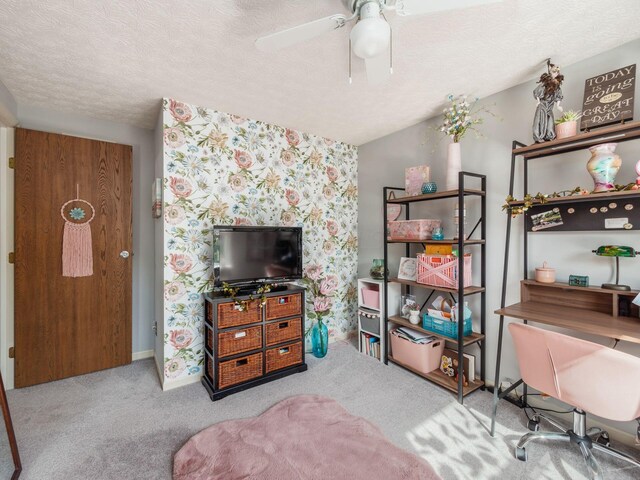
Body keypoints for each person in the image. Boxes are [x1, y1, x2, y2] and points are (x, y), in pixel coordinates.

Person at [532, 60, 564, 143]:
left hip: (550, 105)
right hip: (543, 104)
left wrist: (558, 106)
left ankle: (549, 136)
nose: (555, 73)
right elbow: (537, 92)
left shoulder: (557, 86)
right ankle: (539, 137)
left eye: (557, 72)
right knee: (540, 120)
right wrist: (538, 102)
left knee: (550, 120)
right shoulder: (545, 84)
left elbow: (558, 96)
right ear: (550, 72)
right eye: (554, 72)